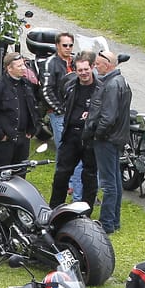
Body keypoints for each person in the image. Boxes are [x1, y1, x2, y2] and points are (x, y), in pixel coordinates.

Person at [84, 50, 133, 233]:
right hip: (116, 137)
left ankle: (106, 223)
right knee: (115, 180)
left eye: (98, 64)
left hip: (107, 139)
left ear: (108, 65)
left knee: (108, 183)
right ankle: (114, 221)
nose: (95, 67)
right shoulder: (121, 81)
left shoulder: (112, 85)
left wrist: (97, 134)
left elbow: (108, 117)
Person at [49, 52, 100, 209]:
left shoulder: (101, 89)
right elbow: (62, 98)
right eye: (80, 70)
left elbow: (107, 113)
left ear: (92, 67)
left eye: (86, 69)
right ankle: (54, 208)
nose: (83, 73)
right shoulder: (70, 84)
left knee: (89, 176)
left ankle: (85, 210)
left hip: (90, 138)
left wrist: (92, 116)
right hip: (71, 135)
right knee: (61, 174)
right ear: (75, 70)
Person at [0, 52, 39, 168]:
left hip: (23, 139)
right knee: (3, 173)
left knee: (20, 172)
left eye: (23, 65)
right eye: (19, 66)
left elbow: (33, 108)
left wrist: (32, 129)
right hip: (5, 142)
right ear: (9, 68)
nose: (24, 68)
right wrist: (0, 135)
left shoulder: (26, 85)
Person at [42, 32, 83, 197]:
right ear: (57, 46)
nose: (68, 48)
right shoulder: (51, 63)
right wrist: (59, 110)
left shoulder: (75, 62)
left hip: (74, 114)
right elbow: (46, 90)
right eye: (65, 45)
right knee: (64, 148)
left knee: (74, 148)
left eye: (70, 45)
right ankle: (66, 183)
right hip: (59, 115)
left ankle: (71, 183)